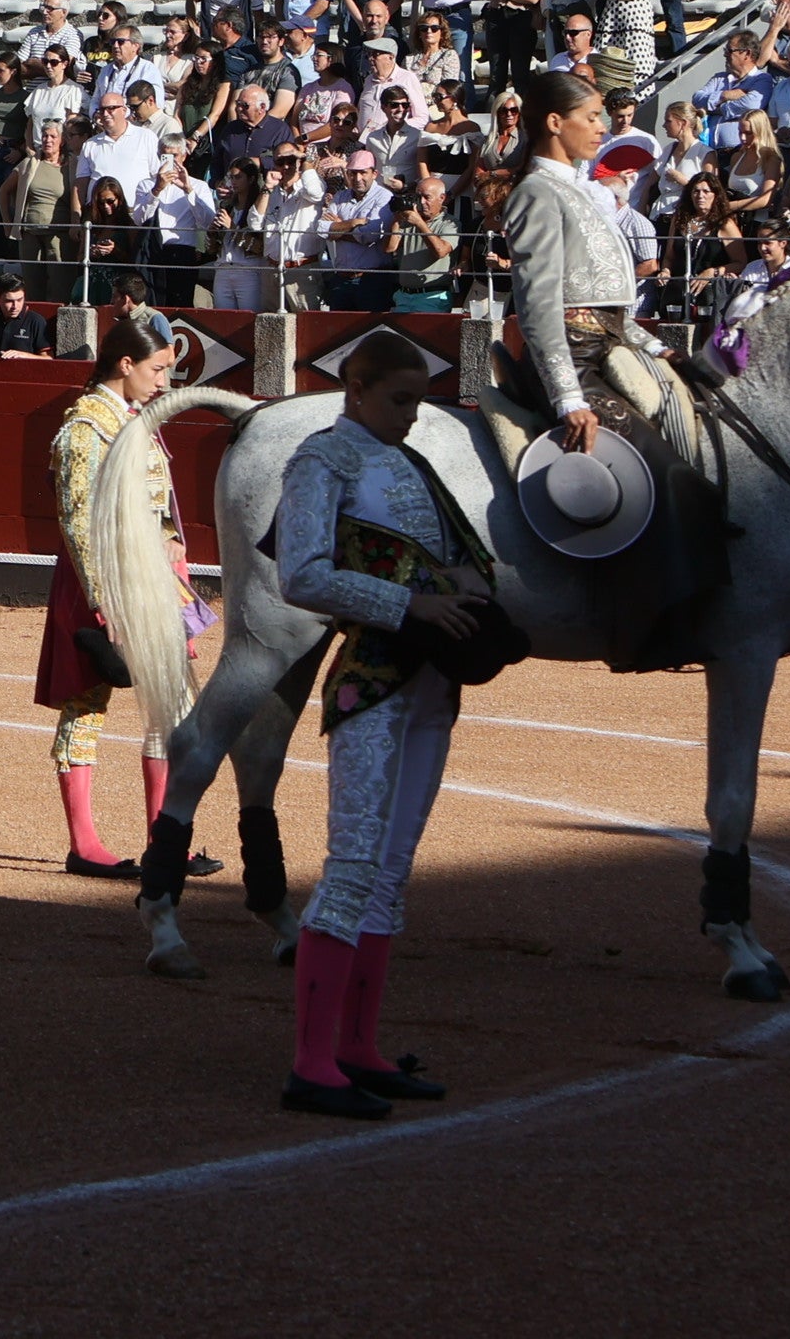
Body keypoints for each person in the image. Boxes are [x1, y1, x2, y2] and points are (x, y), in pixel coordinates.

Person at [274, 328, 489, 1119]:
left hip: (431, 682)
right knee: (354, 862)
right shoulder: (320, 460)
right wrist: (412, 604)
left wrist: (466, 590)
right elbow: (302, 575)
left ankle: (356, 1048)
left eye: (419, 400)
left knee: (389, 870)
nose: (411, 415)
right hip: (372, 677)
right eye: (398, 400)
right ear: (354, 391)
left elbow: (450, 558)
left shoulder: (411, 461)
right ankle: (309, 1062)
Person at [40, 311, 207, 879]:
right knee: (86, 702)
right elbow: (79, 521)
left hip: (151, 579)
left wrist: (171, 558)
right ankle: (83, 843)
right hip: (103, 582)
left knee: (170, 702)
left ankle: (166, 840)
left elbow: (158, 509)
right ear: (126, 363)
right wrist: (103, 601)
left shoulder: (134, 422)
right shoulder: (86, 428)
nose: (164, 382)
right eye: (158, 370)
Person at [503, 71, 638, 454]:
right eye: (592, 116)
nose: (602, 127)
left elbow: (606, 313)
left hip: (604, 350)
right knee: (671, 475)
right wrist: (568, 396)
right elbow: (538, 302)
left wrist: (656, 348)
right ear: (555, 123)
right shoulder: (537, 192)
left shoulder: (570, 188)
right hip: (574, 363)